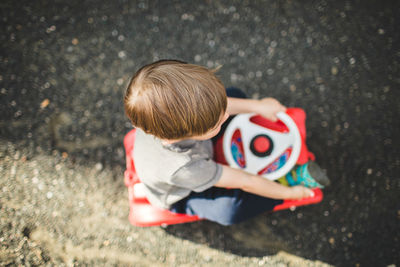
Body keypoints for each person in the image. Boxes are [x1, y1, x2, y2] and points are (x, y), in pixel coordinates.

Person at [124, 60, 328, 225]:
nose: (225, 116)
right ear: (186, 133)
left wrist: (258, 107)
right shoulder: (185, 167)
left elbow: (220, 107)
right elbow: (246, 182)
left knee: (233, 95)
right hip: (184, 190)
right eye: (216, 122)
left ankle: (220, 125)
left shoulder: (158, 120)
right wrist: (289, 193)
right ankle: (281, 185)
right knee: (231, 210)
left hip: (197, 148)